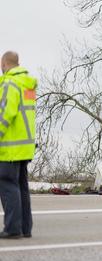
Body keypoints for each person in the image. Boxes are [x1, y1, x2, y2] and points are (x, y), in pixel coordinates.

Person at [0, 51, 37, 238]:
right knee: (21, 186)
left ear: (4, 63)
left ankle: (13, 229)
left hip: (10, 147)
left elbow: (6, 114)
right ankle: (25, 228)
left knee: (8, 185)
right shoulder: (27, 85)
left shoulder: (9, 83)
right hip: (25, 146)